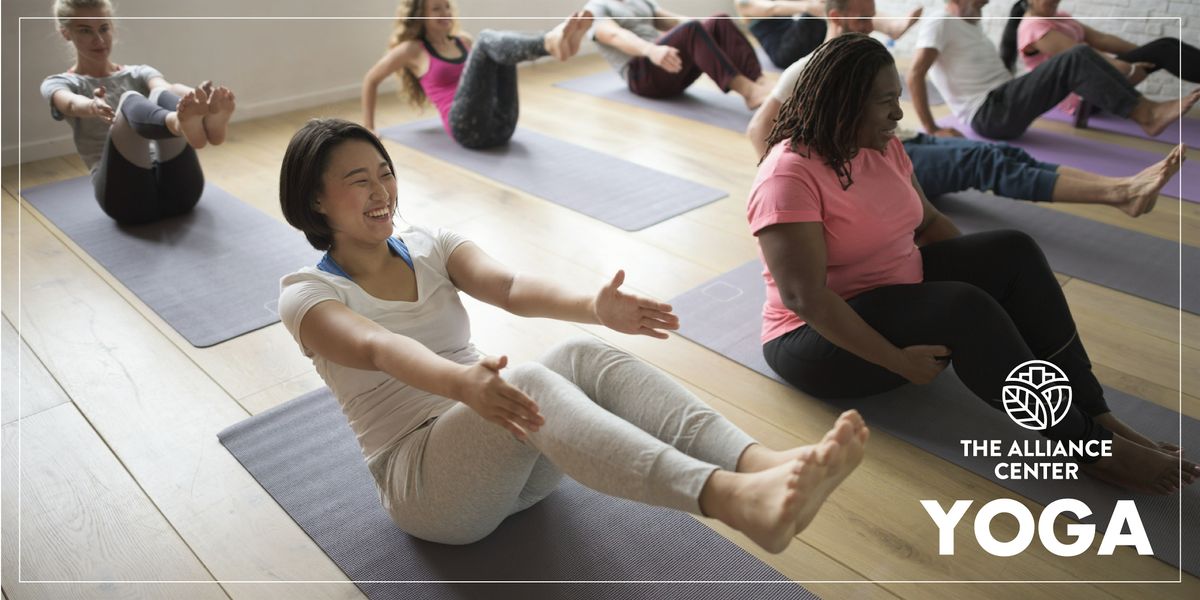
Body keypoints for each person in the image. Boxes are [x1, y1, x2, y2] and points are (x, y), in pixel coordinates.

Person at [276, 117, 869, 551]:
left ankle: (761, 465)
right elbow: (380, 348)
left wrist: (595, 306)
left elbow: (508, 287)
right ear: (315, 199)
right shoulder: (307, 296)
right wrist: (463, 383)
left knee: (582, 352)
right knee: (525, 380)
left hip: (514, 459)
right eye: (359, 181)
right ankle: (729, 499)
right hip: (430, 489)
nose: (381, 192)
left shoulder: (431, 244)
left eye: (385, 172)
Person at [750, 33, 1197, 495]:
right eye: (886, 102)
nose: (899, 115)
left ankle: (1095, 411)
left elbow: (930, 223)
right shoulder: (788, 175)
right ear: (844, 103)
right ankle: (1087, 445)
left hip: (892, 294)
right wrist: (899, 362)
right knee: (964, 307)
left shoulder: (883, 148)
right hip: (815, 340)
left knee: (1011, 250)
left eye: (897, 98)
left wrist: (995, 286)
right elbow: (806, 298)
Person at [746, 0, 1184, 218]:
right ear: (837, 16)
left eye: (873, 14)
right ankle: (1120, 194)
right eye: (864, 17)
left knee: (1011, 155)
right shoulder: (810, 66)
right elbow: (759, 133)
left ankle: (1122, 185)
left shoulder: (858, 50)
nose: (872, 21)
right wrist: (818, 190)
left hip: (904, 146)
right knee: (986, 160)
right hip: (883, 165)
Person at [40, 0, 236, 225]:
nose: (99, 39)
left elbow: (166, 89)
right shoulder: (59, 83)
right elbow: (71, 104)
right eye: (85, 30)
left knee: (164, 92)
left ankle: (205, 124)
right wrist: (93, 106)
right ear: (66, 33)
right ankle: (178, 124)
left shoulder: (140, 73)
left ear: (112, 26)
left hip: (182, 192)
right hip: (126, 199)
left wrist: (203, 99)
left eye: (104, 28)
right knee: (130, 100)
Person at [906, 0, 1199, 141]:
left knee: (1080, 54)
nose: (988, 1)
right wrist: (932, 129)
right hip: (988, 113)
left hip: (1002, 102)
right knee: (1076, 56)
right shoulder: (939, 21)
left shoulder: (969, 21)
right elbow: (915, 73)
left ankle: (1146, 112)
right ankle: (1147, 114)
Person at [362, 1, 592, 149]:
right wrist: (369, 127)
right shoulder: (412, 50)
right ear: (420, 16)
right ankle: (549, 42)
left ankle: (555, 43)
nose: (445, 12)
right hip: (467, 130)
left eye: (447, 6)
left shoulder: (463, 41)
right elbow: (371, 79)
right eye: (436, 9)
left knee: (497, 47)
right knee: (487, 41)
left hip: (502, 126)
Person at [1000, 0, 1200, 118]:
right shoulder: (1034, 28)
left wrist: (1148, 51)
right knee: (1164, 49)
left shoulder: (1058, 16)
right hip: (1080, 95)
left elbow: (1101, 39)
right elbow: (1081, 57)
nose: (1055, 1)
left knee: (1166, 46)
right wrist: (1126, 68)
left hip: (1094, 77)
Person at [587, 0, 772, 108]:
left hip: (668, 64)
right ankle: (750, 92)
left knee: (718, 20)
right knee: (690, 29)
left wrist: (706, 32)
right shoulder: (595, 8)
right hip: (642, 76)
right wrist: (651, 50)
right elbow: (614, 35)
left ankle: (760, 82)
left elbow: (675, 21)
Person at [734, 0, 921, 69]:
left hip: (800, 39)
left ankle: (890, 27)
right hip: (783, 53)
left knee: (841, 4)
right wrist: (812, 5)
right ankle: (891, 28)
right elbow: (775, 7)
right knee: (831, 6)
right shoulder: (743, 3)